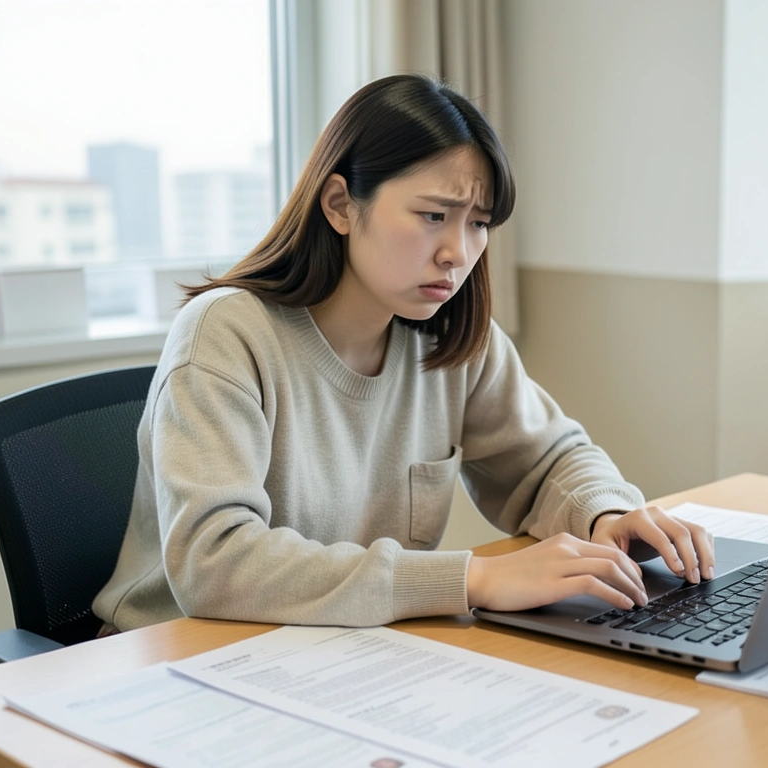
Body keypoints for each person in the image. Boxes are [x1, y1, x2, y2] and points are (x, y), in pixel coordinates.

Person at [92, 74, 714, 632]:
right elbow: (216, 562)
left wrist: (605, 514)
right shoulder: (226, 335)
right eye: (434, 214)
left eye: (478, 223)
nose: (458, 252)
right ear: (340, 204)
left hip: (342, 655)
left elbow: (548, 460)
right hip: (185, 661)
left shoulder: (450, 338)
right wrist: (472, 579)